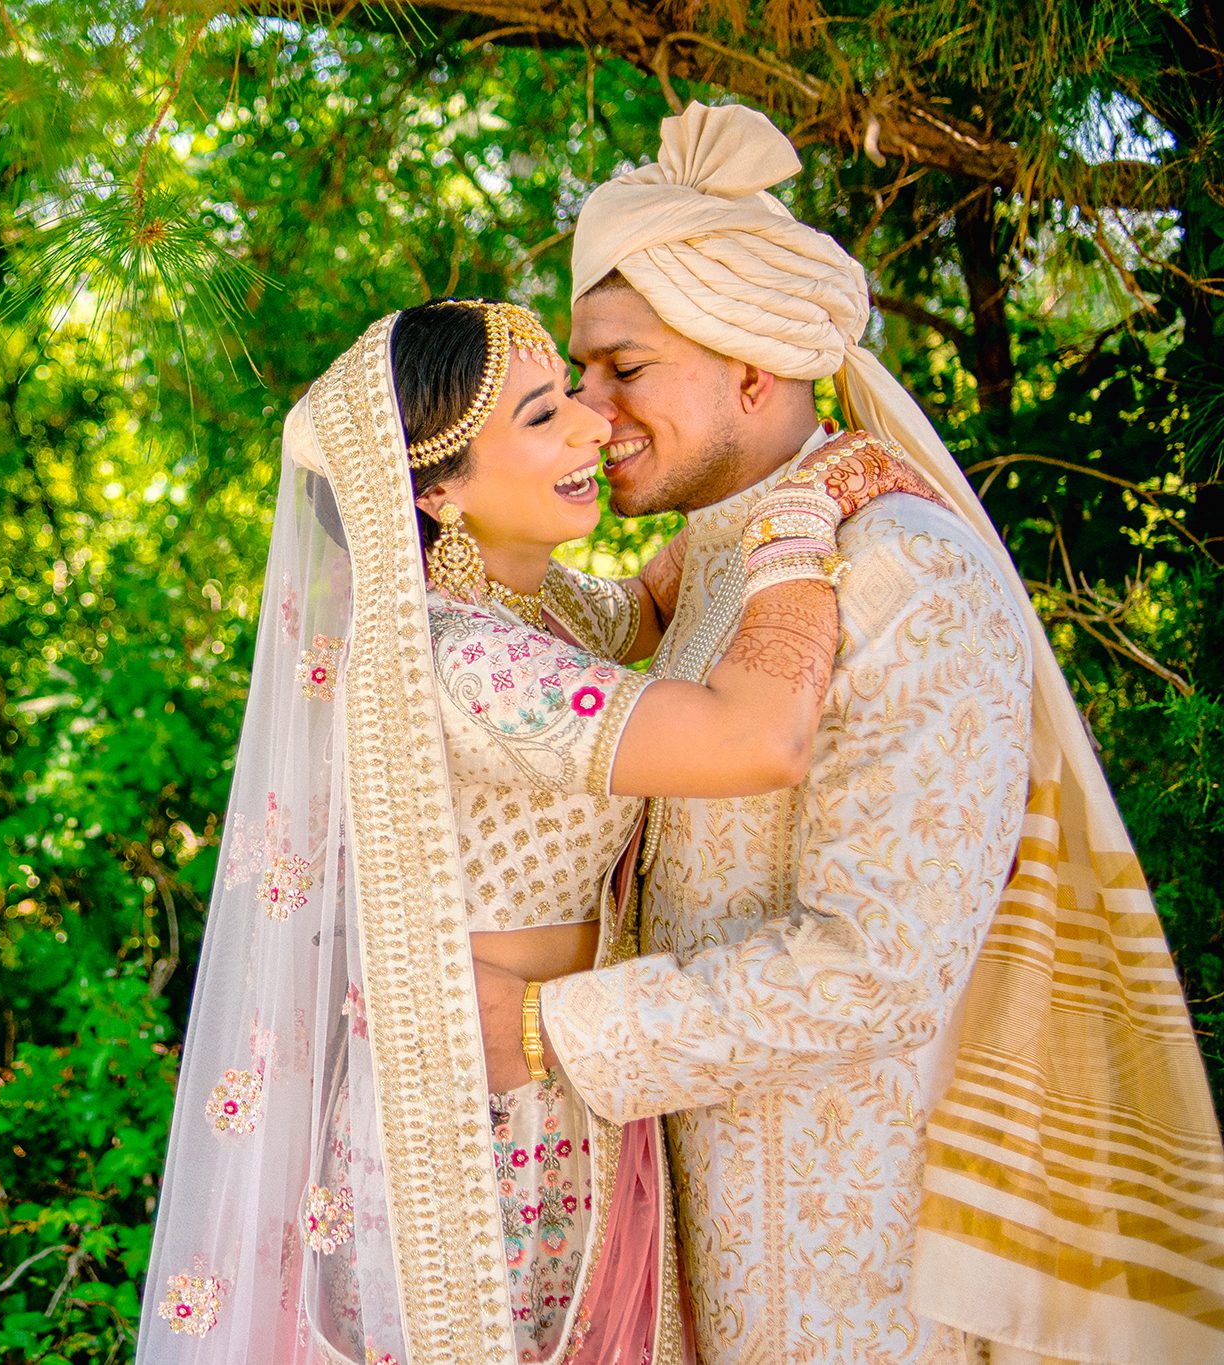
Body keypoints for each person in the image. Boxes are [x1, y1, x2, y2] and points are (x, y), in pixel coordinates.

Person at [487, 101, 1224, 1364]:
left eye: (623, 368)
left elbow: (877, 962)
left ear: (750, 372)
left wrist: (547, 1030)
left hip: (862, 1261)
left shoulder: (898, 574)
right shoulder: (727, 558)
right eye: (581, 372)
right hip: (694, 1227)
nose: (594, 413)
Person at [137, 295, 935, 1365]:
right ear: (435, 490)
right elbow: (756, 739)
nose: (592, 428)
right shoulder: (466, 664)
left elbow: (654, 604)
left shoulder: (537, 611)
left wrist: (767, 460)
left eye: (574, 397)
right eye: (542, 415)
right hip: (477, 1137)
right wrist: (803, 511)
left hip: (548, 1093)